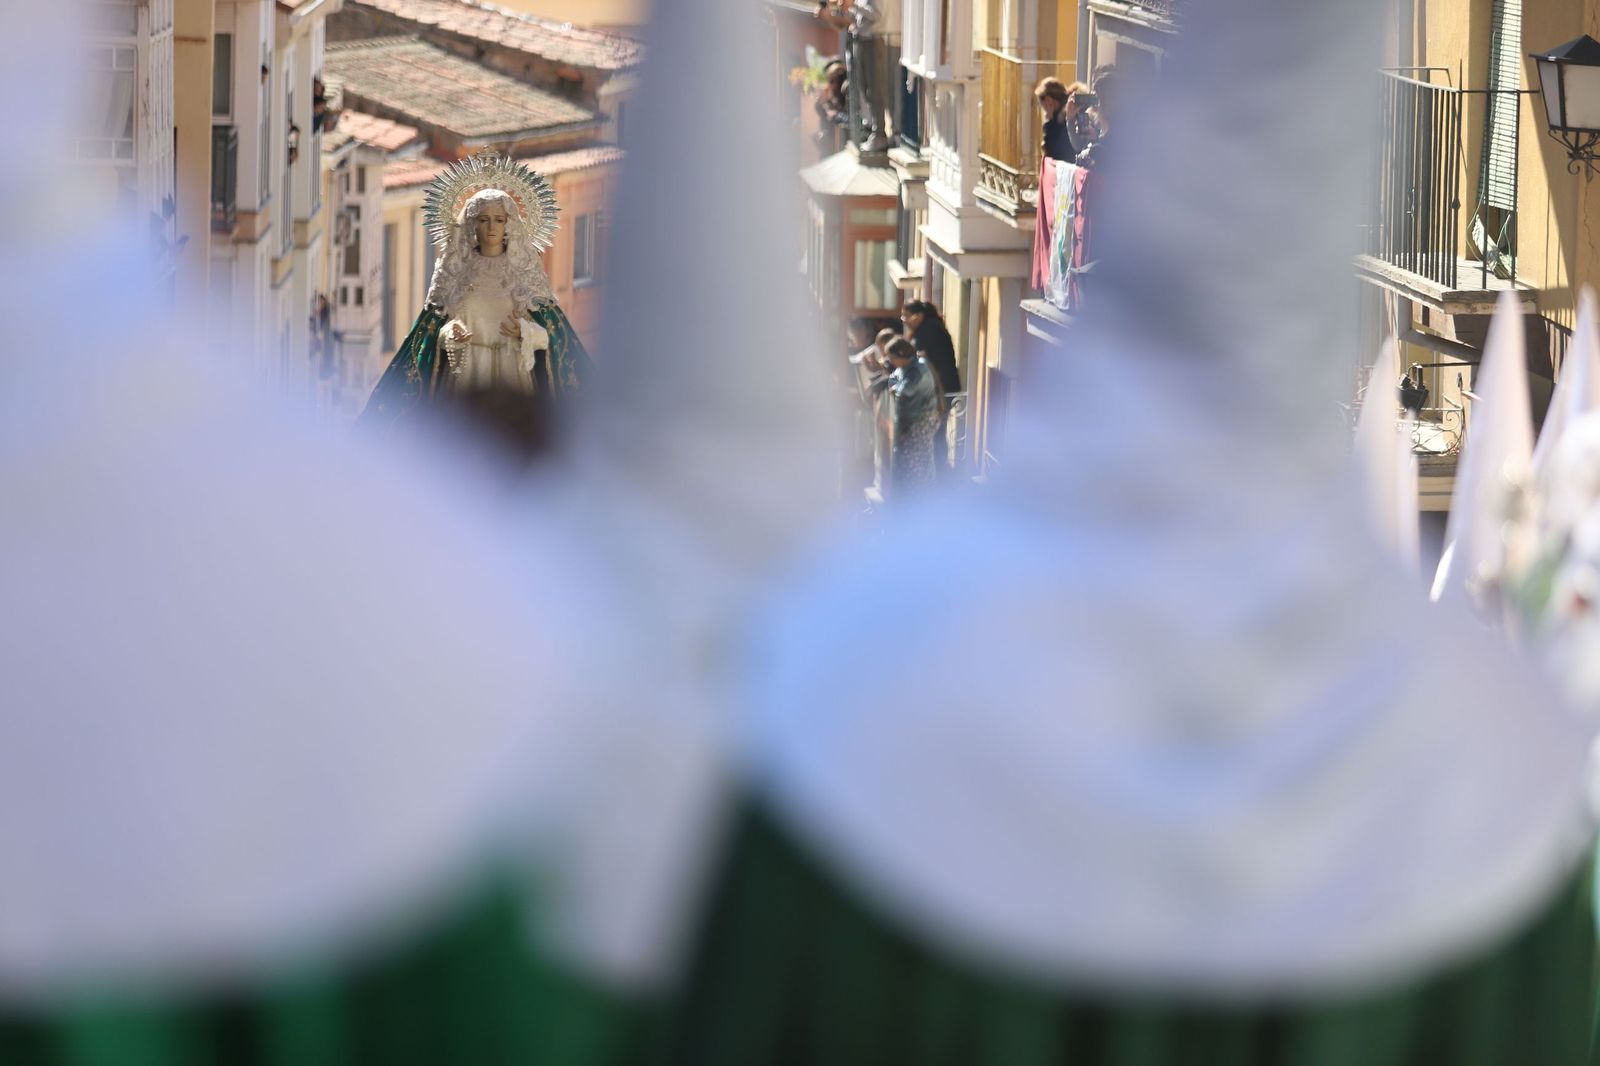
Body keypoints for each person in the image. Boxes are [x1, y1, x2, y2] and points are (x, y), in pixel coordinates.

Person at [362, 153, 590, 426]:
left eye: (498, 219)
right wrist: (450, 334)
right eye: (483, 220)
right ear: (472, 224)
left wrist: (525, 332)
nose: (491, 227)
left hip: (513, 377)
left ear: (509, 224)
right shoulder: (454, 273)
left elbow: (550, 337)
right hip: (465, 377)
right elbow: (431, 335)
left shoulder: (524, 274)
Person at [882, 337, 941, 496]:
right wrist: (894, 386)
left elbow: (906, 390)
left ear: (901, 354)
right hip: (907, 422)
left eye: (892, 357)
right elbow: (892, 380)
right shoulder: (904, 368)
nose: (890, 361)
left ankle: (921, 499)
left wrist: (896, 388)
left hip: (920, 422)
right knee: (905, 461)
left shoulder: (919, 368)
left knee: (918, 462)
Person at [1036, 76, 1091, 163]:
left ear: (1048, 101)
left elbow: (1052, 151)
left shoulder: (1061, 120)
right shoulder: (1068, 110)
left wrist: (1049, 123)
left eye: (1042, 104)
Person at [1075, 67, 1117, 170]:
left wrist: (1092, 151)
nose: (1093, 95)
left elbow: (1111, 151)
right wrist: (1070, 119)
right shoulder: (1093, 115)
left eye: (1099, 97)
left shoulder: (1119, 125)